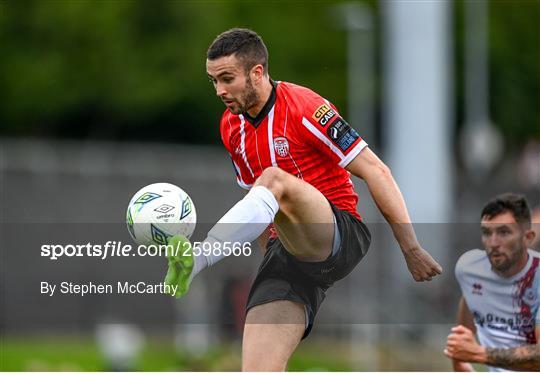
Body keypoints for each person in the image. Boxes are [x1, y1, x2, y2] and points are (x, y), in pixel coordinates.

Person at [165, 28, 442, 371]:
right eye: (214, 81)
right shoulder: (230, 128)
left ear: (257, 72)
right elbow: (260, 210)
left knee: (274, 180)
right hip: (290, 255)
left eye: (227, 78)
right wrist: (272, 263)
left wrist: (410, 248)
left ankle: (199, 258)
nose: (220, 90)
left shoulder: (306, 108)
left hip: (339, 232)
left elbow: (376, 170)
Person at [444, 193, 540, 371]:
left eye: (504, 232)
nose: (493, 242)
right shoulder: (470, 269)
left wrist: (477, 353)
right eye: (487, 233)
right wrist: (461, 361)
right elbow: (460, 345)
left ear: (528, 237)